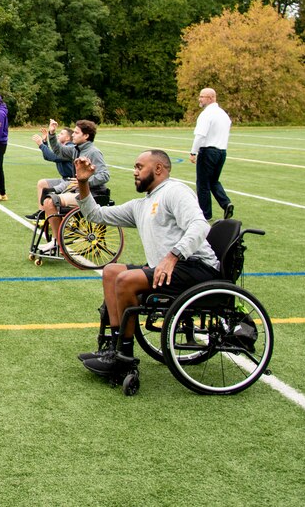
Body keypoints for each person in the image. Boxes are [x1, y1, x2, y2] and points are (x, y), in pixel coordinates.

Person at [72, 150, 220, 379]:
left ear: (158, 169)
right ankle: (115, 346)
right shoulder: (142, 204)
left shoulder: (174, 191)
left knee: (125, 280)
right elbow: (95, 215)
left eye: (139, 167)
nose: (135, 172)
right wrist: (83, 183)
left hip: (196, 267)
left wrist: (173, 256)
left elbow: (200, 225)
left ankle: (124, 358)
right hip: (170, 269)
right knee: (111, 272)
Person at [34, 120, 109, 254]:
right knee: (48, 199)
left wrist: (85, 181)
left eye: (76, 132)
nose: (73, 135)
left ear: (86, 136)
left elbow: (104, 175)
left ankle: (58, 243)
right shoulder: (76, 150)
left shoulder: (93, 152)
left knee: (50, 202)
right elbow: (58, 150)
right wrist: (52, 133)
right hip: (79, 192)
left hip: (92, 195)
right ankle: (57, 241)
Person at [190, 87, 234, 220]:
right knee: (214, 181)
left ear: (210, 98)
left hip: (208, 151)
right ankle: (226, 203)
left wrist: (193, 152)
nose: (200, 99)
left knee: (203, 184)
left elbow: (200, 135)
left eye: (202, 96)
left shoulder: (206, 114)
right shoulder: (223, 114)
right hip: (221, 152)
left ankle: (205, 214)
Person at [28, 126, 74, 216]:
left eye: (61, 133)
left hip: (71, 181)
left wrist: (41, 144)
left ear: (68, 138)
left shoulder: (69, 149)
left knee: (48, 190)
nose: (58, 135)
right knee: (42, 183)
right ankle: (42, 213)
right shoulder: (63, 148)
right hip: (65, 179)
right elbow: (47, 157)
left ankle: (50, 214)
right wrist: (45, 142)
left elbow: (52, 157)